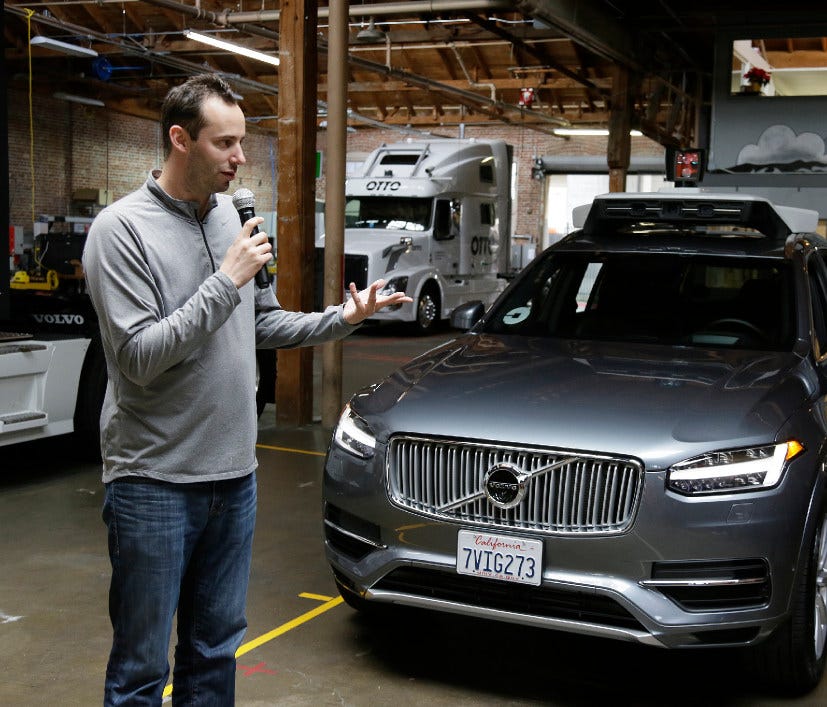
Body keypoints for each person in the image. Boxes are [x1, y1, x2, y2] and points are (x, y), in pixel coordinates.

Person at [82, 73, 411, 706]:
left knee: (214, 653)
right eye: (223, 144)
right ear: (180, 140)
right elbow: (138, 357)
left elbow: (259, 321)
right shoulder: (120, 231)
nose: (239, 158)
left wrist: (342, 319)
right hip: (153, 481)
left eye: (242, 142)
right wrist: (225, 281)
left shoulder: (232, 216)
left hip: (234, 477)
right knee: (142, 668)